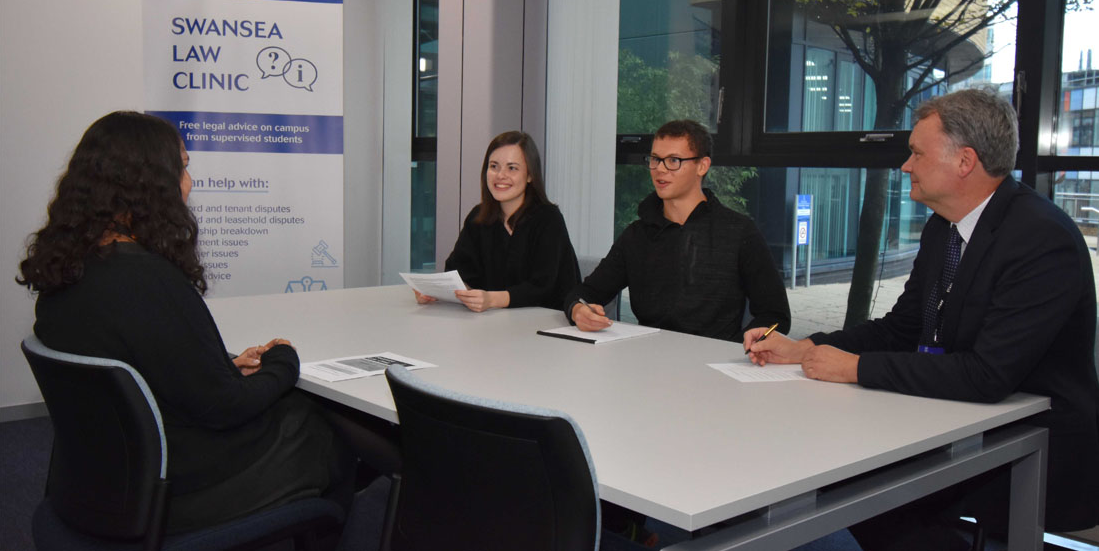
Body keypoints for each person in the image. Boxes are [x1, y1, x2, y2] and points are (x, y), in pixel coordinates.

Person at [745, 89, 1099, 548]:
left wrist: (853, 368)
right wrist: (807, 348)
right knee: (844, 483)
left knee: (865, 495)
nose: (904, 166)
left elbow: (987, 375)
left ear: (964, 161)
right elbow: (901, 328)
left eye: (915, 153)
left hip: (1032, 448)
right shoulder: (945, 226)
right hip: (953, 423)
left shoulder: (1040, 238)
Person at [18, 111, 355, 534]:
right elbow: (226, 407)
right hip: (178, 488)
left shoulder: (66, 268)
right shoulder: (146, 278)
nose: (189, 182)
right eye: (184, 166)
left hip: (104, 480)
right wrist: (284, 361)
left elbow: (134, 370)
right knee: (321, 422)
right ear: (150, 182)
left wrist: (222, 369)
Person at [566, 119, 790, 342]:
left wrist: (752, 342)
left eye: (673, 160)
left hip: (714, 360)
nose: (660, 170)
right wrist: (578, 310)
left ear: (702, 166)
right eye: (655, 159)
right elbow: (585, 293)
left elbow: (776, 315)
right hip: (646, 358)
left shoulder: (739, 232)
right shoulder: (637, 235)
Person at [415, 130, 580, 312]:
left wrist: (492, 299)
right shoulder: (479, 217)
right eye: (494, 166)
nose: (500, 175)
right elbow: (459, 271)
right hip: (493, 324)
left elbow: (543, 287)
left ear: (530, 175)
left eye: (512, 168)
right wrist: (439, 291)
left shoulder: (548, 218)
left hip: (545, 323)